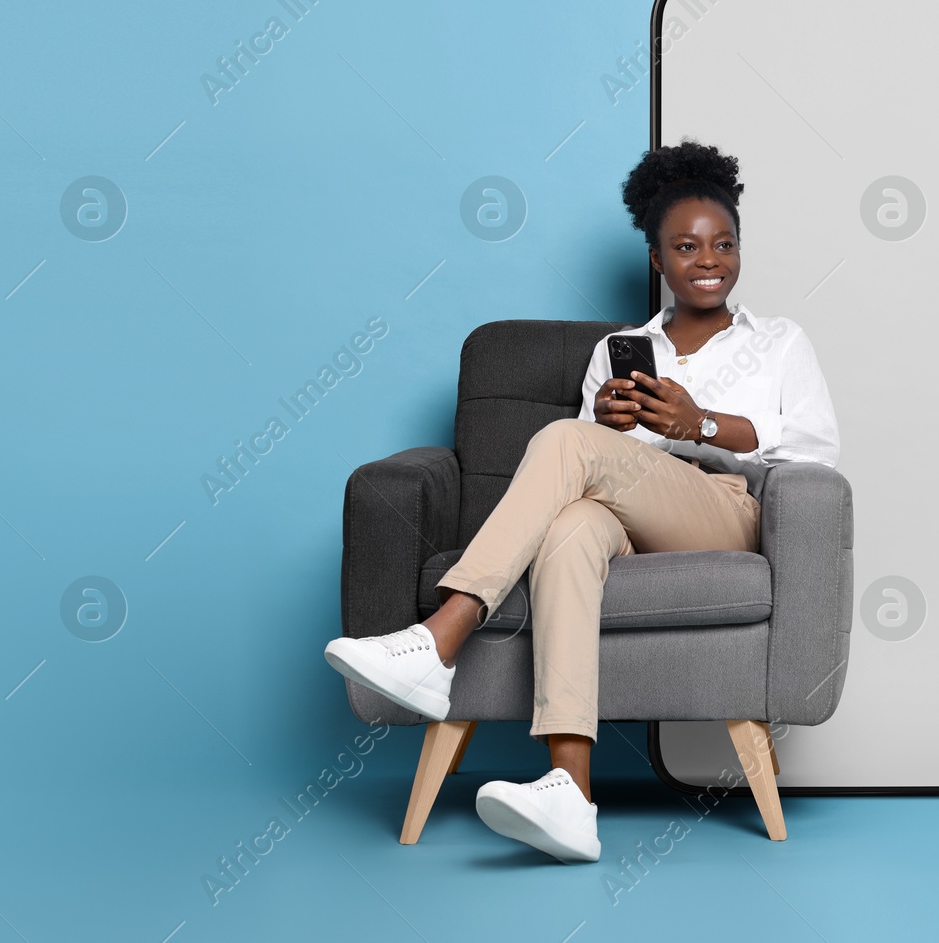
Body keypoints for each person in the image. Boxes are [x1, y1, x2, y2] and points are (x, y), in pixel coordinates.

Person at [323, 139, 839, 863]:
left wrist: (703, 423)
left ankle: (444, 634)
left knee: (568, 440)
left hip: (724, 509)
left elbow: (818, 448)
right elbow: (589, 465)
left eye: (724, 243)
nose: (709, 259)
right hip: (630, 508)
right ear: (657, 258)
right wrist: (618, 426)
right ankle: (571, 791)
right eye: (686, 246)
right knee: (568, 527)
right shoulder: (622, 348)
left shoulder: (780, 341)